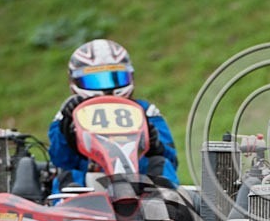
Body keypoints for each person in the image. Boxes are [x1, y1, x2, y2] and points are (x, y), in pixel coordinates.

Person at [48, 38, 179, 190]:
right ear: (75, 82)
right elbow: (60, 160)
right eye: (96, 80)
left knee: (160, 164)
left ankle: (165, 201)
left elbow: (171, 159)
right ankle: (70, 203)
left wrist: (154, 144)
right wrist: (66, 130)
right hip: (88, 180)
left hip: (138, 177)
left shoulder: (145, 112)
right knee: (66, 175)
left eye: (115, 78)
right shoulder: (68, 115)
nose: (107, 89)